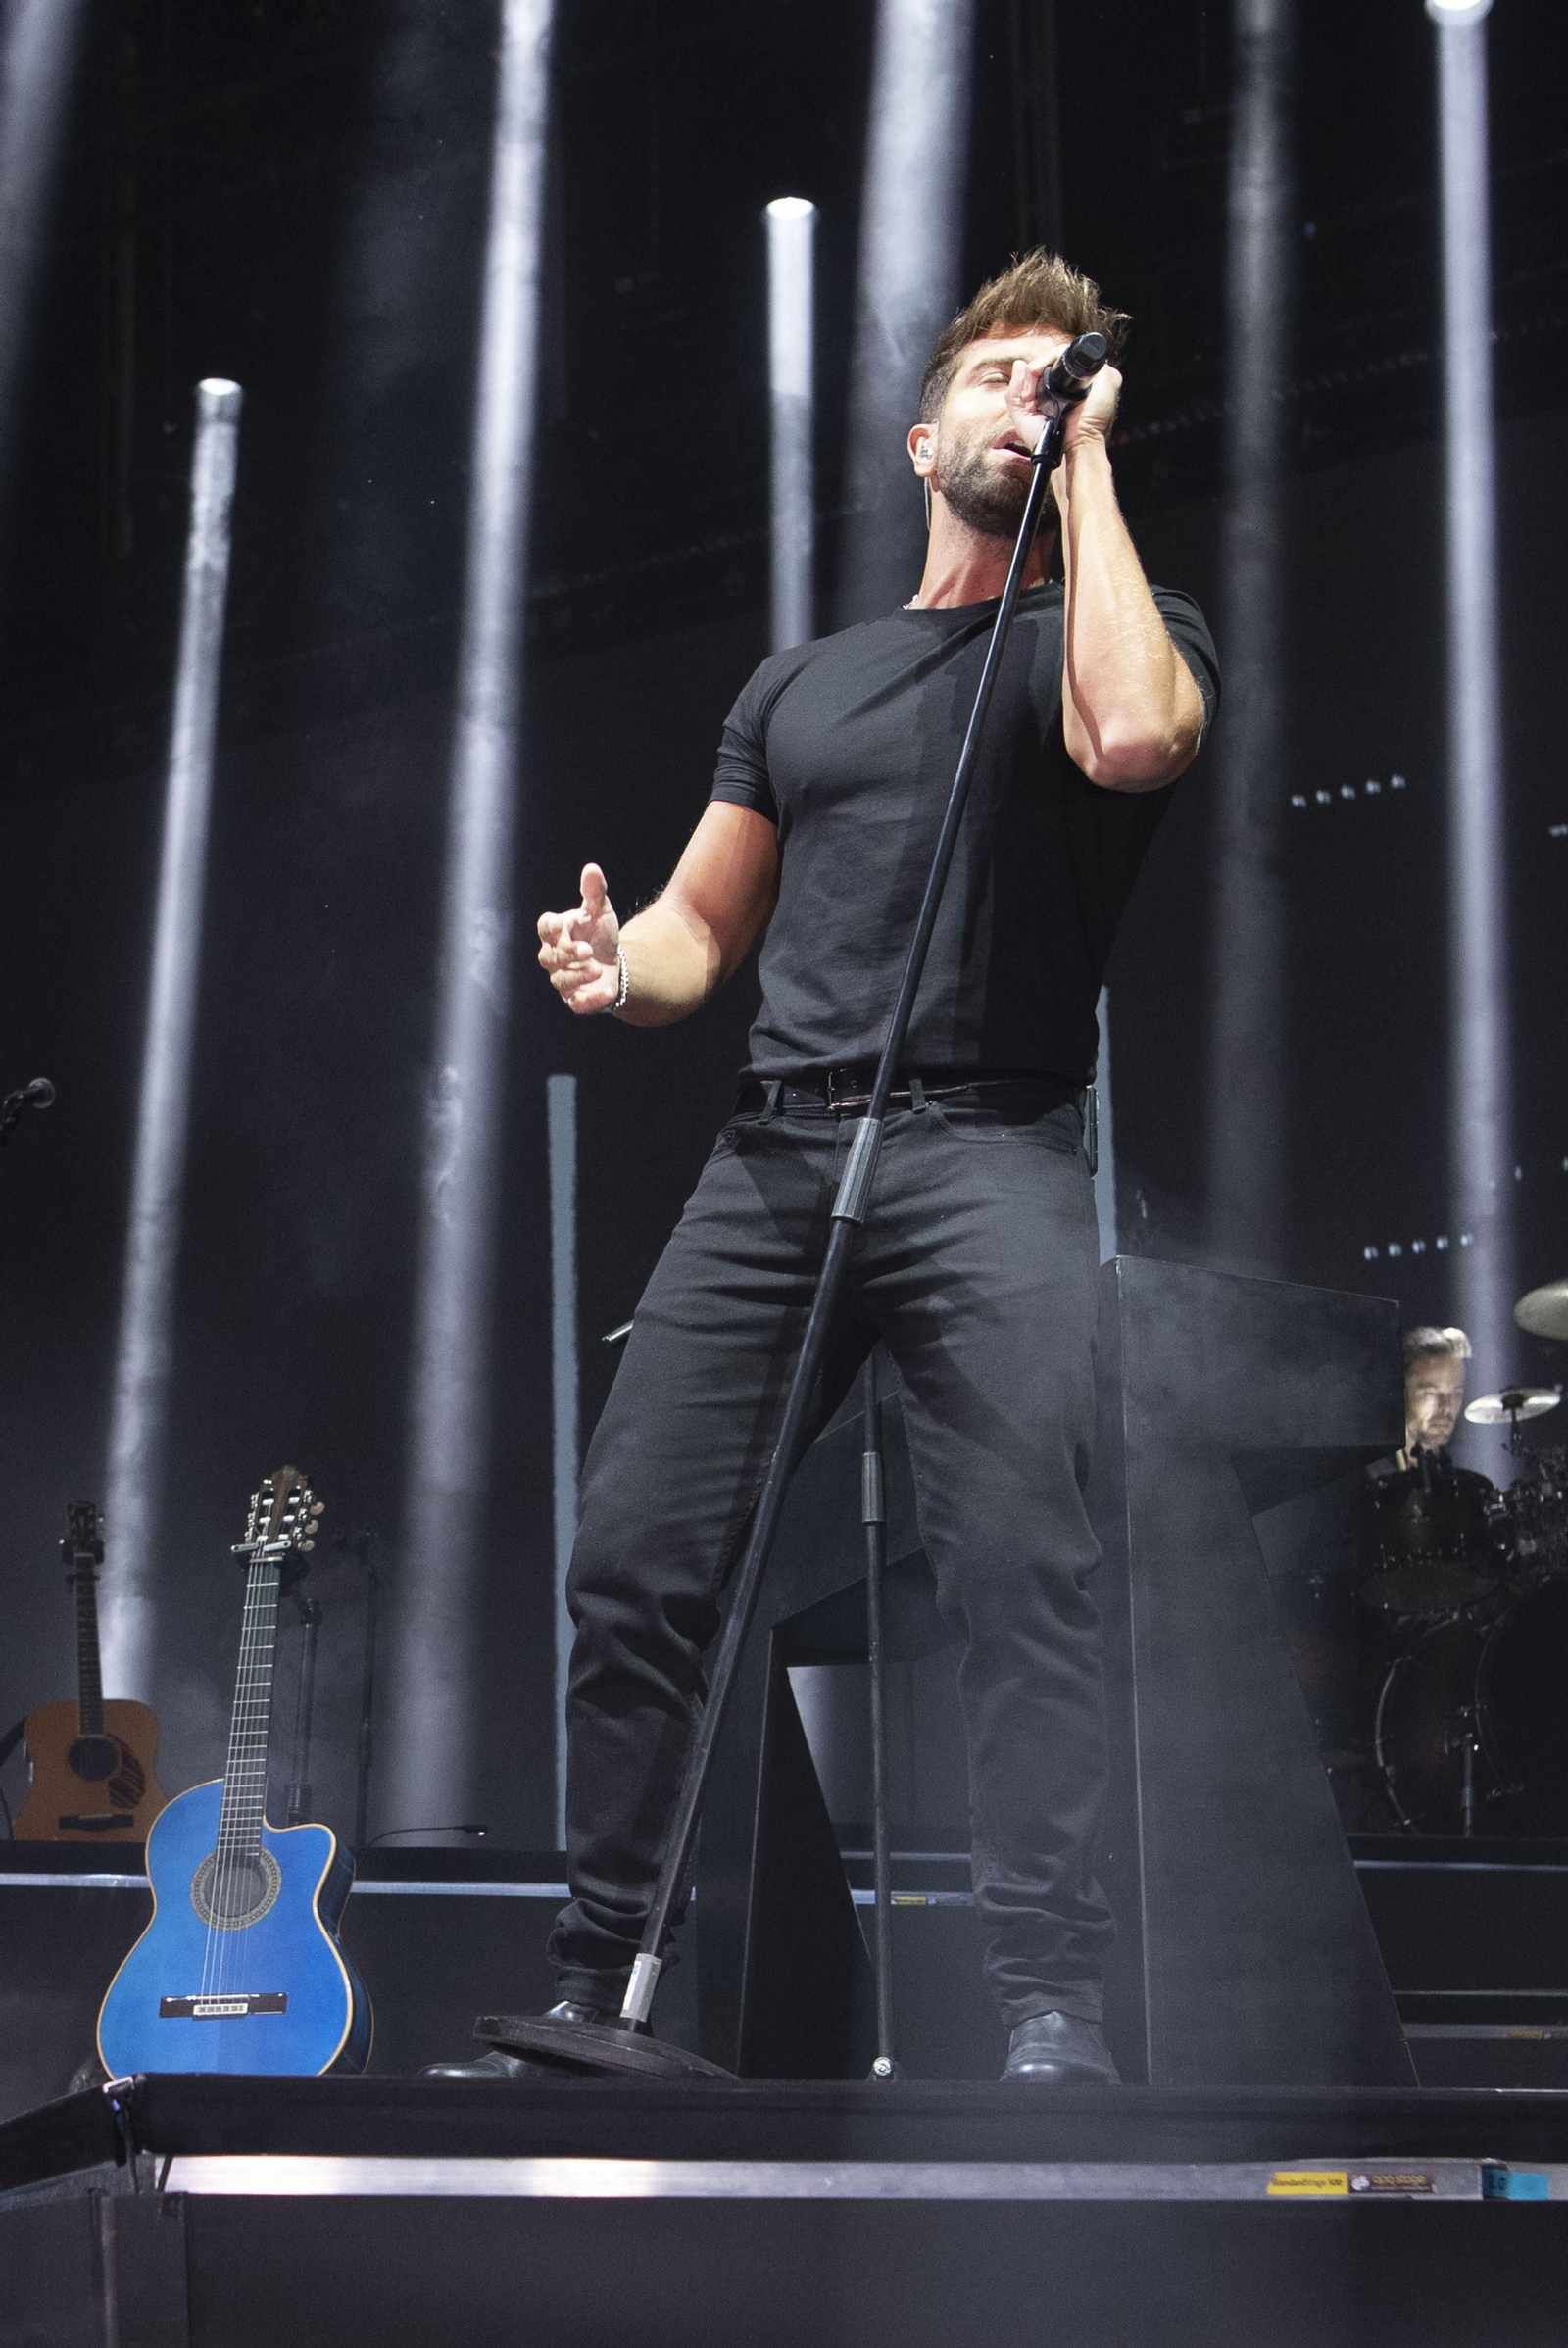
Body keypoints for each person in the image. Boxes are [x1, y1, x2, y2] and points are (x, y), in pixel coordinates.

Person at [429, 250, 1218, 2086]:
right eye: (1004, 379)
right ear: (919, 429)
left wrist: (1083, 466)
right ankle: (593, 1980)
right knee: (639, 1553)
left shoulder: (1122, 621)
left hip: (990, 1154)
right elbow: (705, 932)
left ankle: (1047, 2011)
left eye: (1064, 382)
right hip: (779, 1159)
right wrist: (625, 975)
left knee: (1022, 1570)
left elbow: (1134, 737)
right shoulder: (804, 681)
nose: (1033, 400)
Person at [1396, 1326, 1471, 1464]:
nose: (1446, 1407)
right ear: (1401, 1392)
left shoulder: (1448, 1476)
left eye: (1455, 1394)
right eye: (1431, 1393)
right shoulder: (1367, 1474)